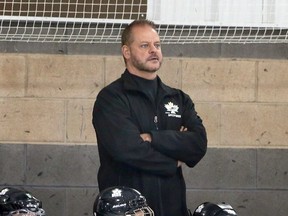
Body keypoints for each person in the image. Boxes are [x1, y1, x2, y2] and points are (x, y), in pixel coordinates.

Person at [92, 19, 207, 216]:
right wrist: (174, 160)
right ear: (126, 52)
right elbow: (127, 150)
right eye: (145, 45)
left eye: (157, 45)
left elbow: (198, 144)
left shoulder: (178, 98)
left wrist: (152, 138)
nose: (153, 50)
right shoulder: (111, 98)